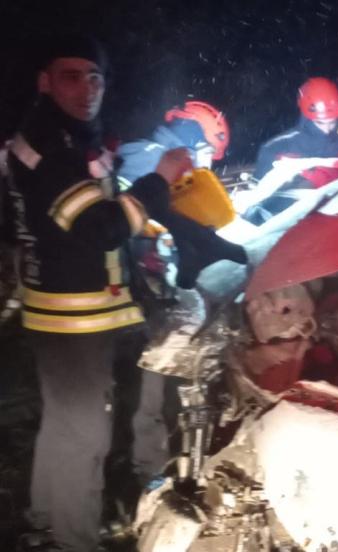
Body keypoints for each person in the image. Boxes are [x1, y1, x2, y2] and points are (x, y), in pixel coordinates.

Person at [7, 34, 242, 551]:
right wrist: (159, 180)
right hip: (71, 318)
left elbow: (95, 221)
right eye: (71, 77)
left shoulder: (69, 139)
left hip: (79, 310)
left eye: (95, 77)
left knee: (67, 425)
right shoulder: (52, 147)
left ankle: (45, 519)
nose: (87, 88)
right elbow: (101, 228)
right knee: (84, 436)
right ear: (45, 82)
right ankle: (74, 540)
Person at [253, 77, 338, 185]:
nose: (326, 130)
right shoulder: (275, 149)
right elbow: (260, 194)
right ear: (306, 117)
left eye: (332, 122)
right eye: (320, 123)